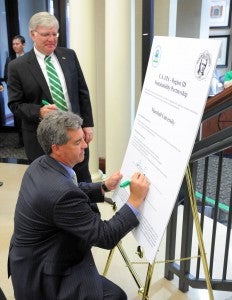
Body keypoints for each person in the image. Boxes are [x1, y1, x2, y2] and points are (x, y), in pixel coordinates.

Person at [8, 110, 150, 300]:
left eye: (83, 138)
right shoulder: (61, 193)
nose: (85, 145)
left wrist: (103, 186)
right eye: (77, 142)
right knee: (116, 297)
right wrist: (134, 200)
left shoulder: (40, 164)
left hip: (30, 260)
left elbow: (71, 189)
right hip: (44, 274)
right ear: (56, 148)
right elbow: (105, 236)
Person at [7, 12, 93, 182]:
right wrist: (39, 112)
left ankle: (88, 208)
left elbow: (82, 91)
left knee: (82, 179)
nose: (52, 39)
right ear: (33, 34)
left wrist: (88, 124)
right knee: (49, 184)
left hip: (75, 134)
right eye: (46, 34)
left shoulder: (69, 56)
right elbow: (15, 104)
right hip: (42, 140)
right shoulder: (17, 66)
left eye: (55, 34)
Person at [4, 35, 26, 148]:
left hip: (27, 93)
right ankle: (20, 140)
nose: (15, 46)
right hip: (15, 93)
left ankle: (28, 140)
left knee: (27, 115)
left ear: (23, 44)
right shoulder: (10, 59)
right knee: (17, 116)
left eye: (17, 44)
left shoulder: (28, 58)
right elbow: (6, 75)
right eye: (13, 44)